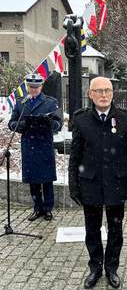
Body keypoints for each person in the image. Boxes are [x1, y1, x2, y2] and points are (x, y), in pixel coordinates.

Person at [68, 76, 127, 289]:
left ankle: (111, 268)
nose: (103, 95)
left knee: (116, 231)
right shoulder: (81, 120)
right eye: (98, 91)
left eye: (107, 90)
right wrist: (74, 185)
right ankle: (95, 268)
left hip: (117, 184)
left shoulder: (125, 119)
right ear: (90, 94)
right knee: (92, 230)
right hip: (90, 184)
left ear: (112, 93)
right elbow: (75, 156)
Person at [8, 73, 62, 221]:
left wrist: (49, 122)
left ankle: (48, 209)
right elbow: (11, 123)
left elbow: (59, 124)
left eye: (36, 87)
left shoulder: (50, 102)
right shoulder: (21, 102)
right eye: (31, 87)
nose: (33, 90)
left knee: (47, 179)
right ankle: (37, 208)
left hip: (44, 144)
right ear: (27, 87)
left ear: (41, 87)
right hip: (29, 145)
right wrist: (21, 125)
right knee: (33, 180)